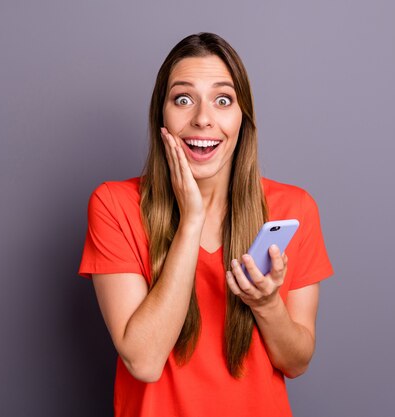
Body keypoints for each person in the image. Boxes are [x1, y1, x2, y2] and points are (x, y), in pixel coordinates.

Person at [78, 32, 333, 417]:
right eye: (183, 99)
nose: (202, 118)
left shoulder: (292, 208)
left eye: (222, 100)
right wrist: (191, 220)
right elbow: (144, 361)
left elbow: (296, 362)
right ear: (160, 115)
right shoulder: (115, 205)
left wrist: (266, 305)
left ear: (242, 117)